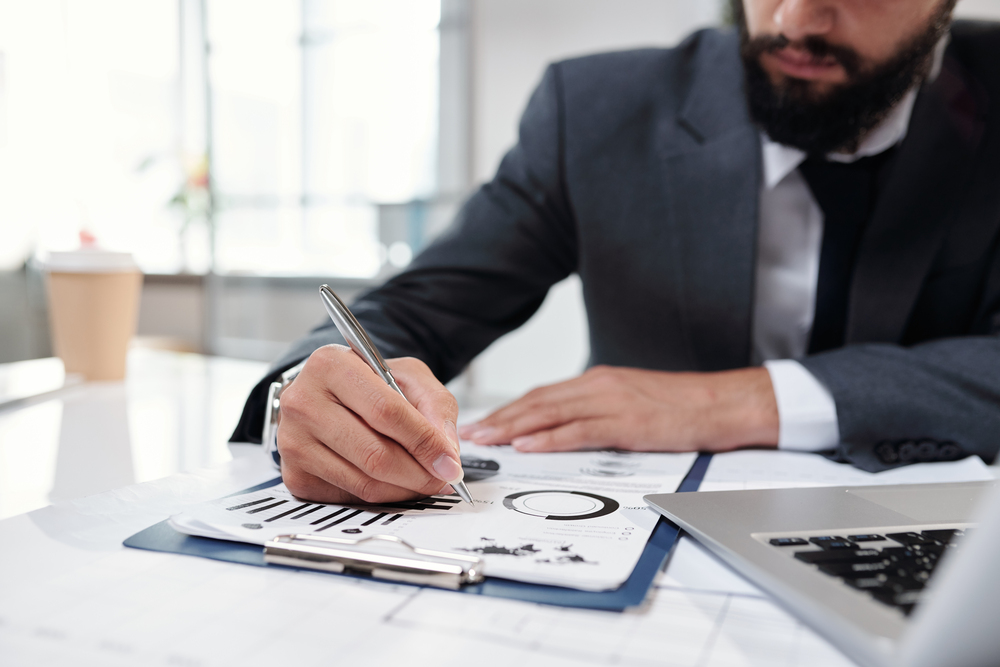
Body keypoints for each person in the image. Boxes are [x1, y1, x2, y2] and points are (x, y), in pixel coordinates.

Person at [232, 0, 1000, 505]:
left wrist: (743, 400)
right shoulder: (596, 113)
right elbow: (415, 307)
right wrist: (308, 395)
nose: (794, 17)